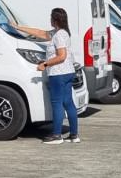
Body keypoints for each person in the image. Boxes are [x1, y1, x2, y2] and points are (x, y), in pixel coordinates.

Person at [11, 8, 80, 144]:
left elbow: (62, 56)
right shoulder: (61, 33)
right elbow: (39, 33)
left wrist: (45, 64)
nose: (49, 19)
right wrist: (17, 27)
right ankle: (74, 135)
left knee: (57, 104)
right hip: (68, 72)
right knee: (68, 103)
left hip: (59, 74)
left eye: (50, 17)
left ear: (55, 19)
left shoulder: (59, 35)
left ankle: (56, 135)